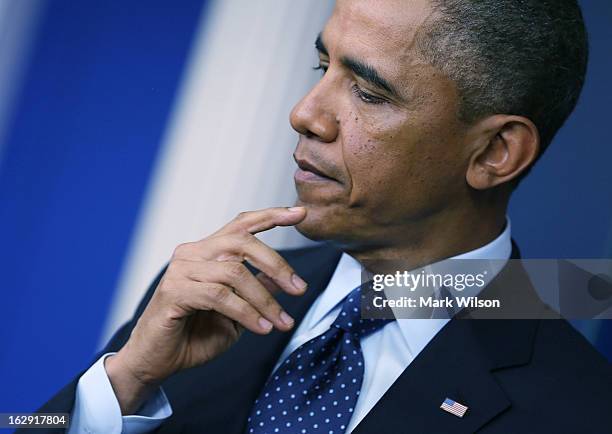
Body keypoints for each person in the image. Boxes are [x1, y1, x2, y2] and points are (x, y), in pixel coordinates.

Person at [24, 0, 611, 433]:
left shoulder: (581, 410)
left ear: (493, 153)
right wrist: (122, 384)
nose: (305, 114)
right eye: (321, 68)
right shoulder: (213, 299)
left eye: (369, 93)